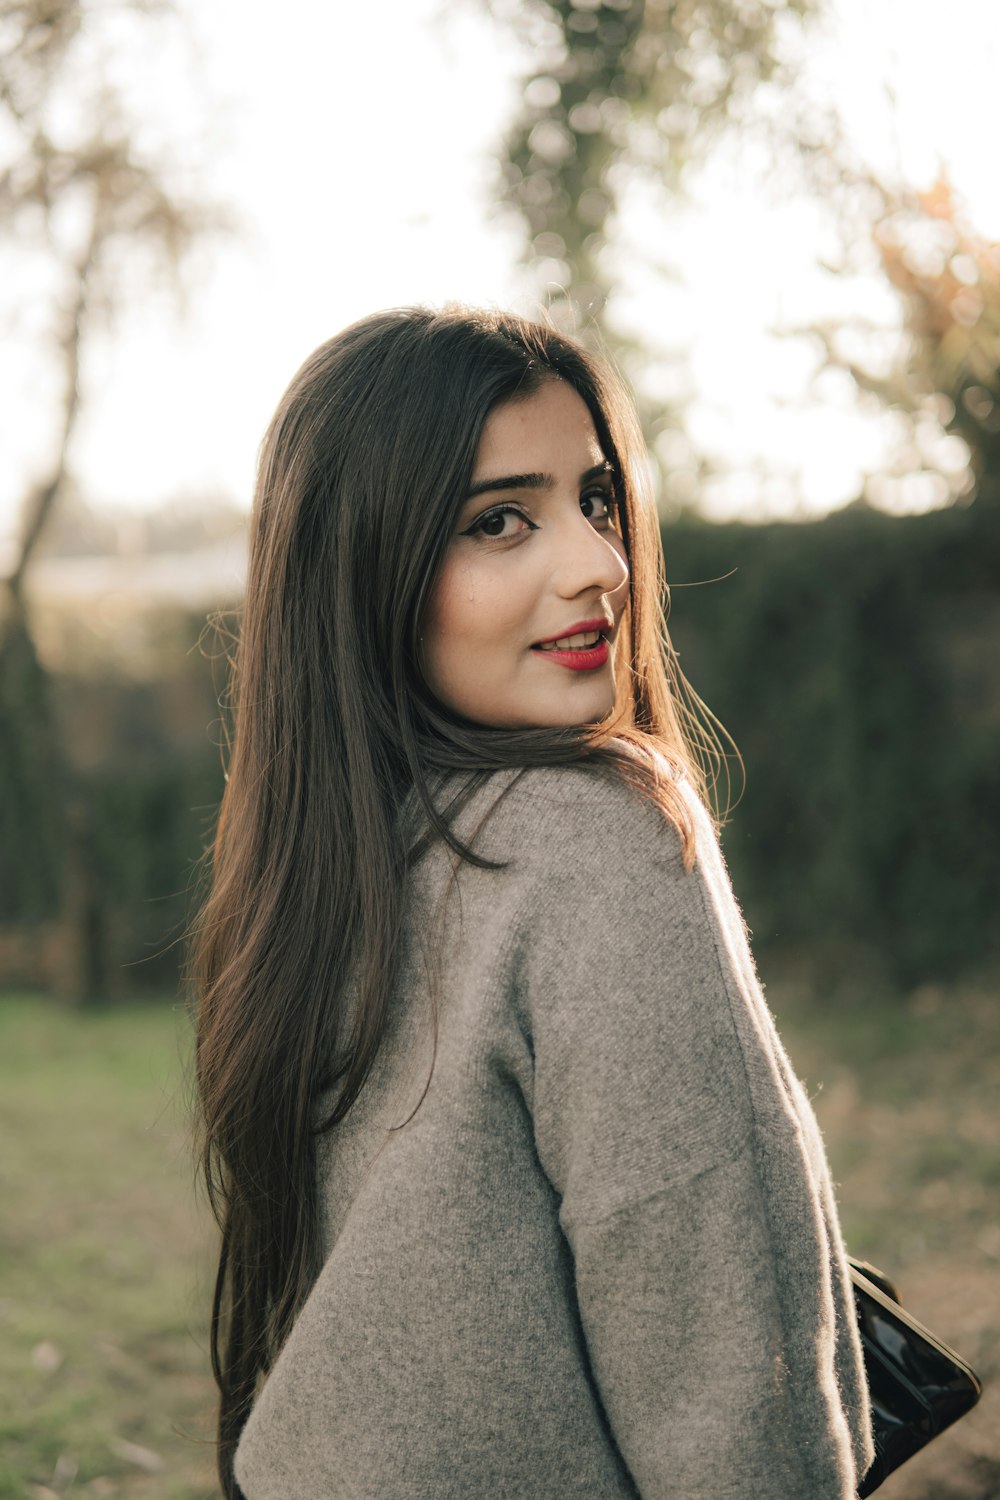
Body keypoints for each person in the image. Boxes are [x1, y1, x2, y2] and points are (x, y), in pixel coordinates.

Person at [192, 305, 875, 1499]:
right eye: (499, 520)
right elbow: (725, 1355)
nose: (600, 564)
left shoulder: (320, 865)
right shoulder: (599, 836)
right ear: (365, 569)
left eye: (597, 499)